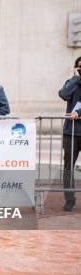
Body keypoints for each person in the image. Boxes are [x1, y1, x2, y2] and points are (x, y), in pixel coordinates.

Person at [58, 56, 81, 212]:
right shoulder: (72, 82)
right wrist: (76, 78)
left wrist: (79, 111)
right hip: (71, 132)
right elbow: (63, 94)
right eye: (80, 67)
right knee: (68, 168)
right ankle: (69, 200)